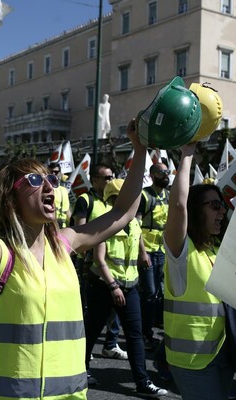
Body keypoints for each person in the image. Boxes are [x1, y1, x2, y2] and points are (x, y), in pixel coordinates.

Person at [0, 81, 150, 399]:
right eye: (36, 180)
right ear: (11, 199)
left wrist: (140, 150)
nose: (50, 187)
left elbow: (123, 212)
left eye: (51, 179)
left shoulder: (66, 244)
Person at [84, 178, 167, 397]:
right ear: (115, 200)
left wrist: (143, 252)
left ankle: (143, 381)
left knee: (135, 335)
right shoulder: (103, 221)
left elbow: (137, 236)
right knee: (92, 331)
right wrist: (113, 286)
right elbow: (99, 260)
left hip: (129, 287)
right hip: (104, 286)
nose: (134, 202)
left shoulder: (133, 222)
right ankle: (81, 370)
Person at [163, 143, 233, 399]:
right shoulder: (181, 251)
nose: (222, 211)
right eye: (214, 206)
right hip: (191, 361)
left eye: (223, 205)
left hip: (222, 353)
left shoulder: (215, 249)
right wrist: (187, 154)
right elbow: (178, 206)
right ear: (196, 210)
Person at [72, 163, 126, 360]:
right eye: (106, 178)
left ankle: (110, 344)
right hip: (88, 260)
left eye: (112, 177)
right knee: (88, 305)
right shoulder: (85, 200)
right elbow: (80, 230)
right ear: (94, 180)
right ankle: (83, 345)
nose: (110, 181)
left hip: (111, 261)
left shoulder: (111, 202)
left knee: (116, 303)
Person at [138, 163, 170, 349]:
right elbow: (137, 226)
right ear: (152, 175)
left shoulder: (168, 195)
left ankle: (146, 331)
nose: (165, 175)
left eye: (167, 172)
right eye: (161, 172)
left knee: (157, 293)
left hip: (162, 251)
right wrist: (142, 252)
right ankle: (144, 334)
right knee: (149, 292)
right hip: (147, 251)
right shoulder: (144, 195)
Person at [47, 162, 71, 228]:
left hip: (63, 227)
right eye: (51, 172)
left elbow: (67, 210)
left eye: (56, 172)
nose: (53, 174)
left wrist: (72, 223)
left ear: (60, 173)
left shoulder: (64, 190)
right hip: (49, 226)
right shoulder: (45, 189)